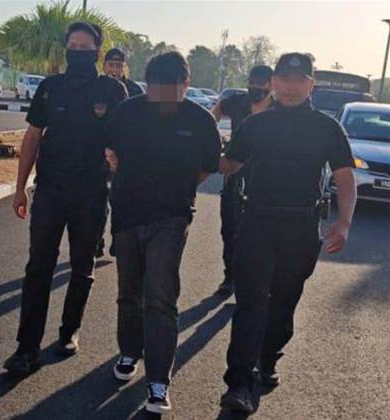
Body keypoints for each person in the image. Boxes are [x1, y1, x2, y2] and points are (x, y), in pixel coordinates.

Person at [219, 53, 357, 414]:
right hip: (257, 222)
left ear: (311, 85)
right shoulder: (256, 124)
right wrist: (191, 148)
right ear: (273, 83)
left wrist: (343, 222)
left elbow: (345, 176)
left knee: (284, 301)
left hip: (301, 227)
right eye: (284, 79)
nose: (290, 87)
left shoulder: (326, 128)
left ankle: (267, 359)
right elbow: (229, 163)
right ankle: (239, 383)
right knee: (250, 304)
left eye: (298, 80)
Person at [3, 22, 128, 376]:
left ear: (97, 52)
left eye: (85, 47)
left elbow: (126, 139)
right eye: (73, 46)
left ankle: (69, 330)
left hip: (92, 192)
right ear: (66, 49)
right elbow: (32, 136)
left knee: (82, 266)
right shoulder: (50, 87)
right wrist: (20, 187)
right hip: (51, 190)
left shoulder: (113, 90)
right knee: (38, 268)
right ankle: (26, 348)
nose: (78, 52)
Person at [106, 51, 221, 413]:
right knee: (129, 292)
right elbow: (111, 153)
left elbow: (206, 167)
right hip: (127, 213)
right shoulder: (127, 112)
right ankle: (129, 351)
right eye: (157, 88)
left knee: (160, 294)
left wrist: (176, 188)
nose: (164, 97)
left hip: (171, 216)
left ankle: (158, 380)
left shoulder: (200, 120)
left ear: (186, 85)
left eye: (172, 89)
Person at [212, 65, 273, 294]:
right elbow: (213, 115)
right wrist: (212, 138)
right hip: (234, 176)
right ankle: (230, 277)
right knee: (230, 230)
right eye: (252, 82)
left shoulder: (279, 110)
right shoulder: (237, 102)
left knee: (259, 234)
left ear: (271, 85)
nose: (256, 87)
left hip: (266, 179)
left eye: (261, 84)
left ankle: (254, 281)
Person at [96, 47, 144, 258]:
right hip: (98, 155)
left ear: (125, 67)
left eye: (119, 65)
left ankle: (119, 239)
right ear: (104, 65)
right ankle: (96, 241)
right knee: (98, 199)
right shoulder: (95, 87)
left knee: (121, 201)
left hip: (127, 157)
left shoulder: (135, 91)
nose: (114, 69)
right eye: (111, 65)